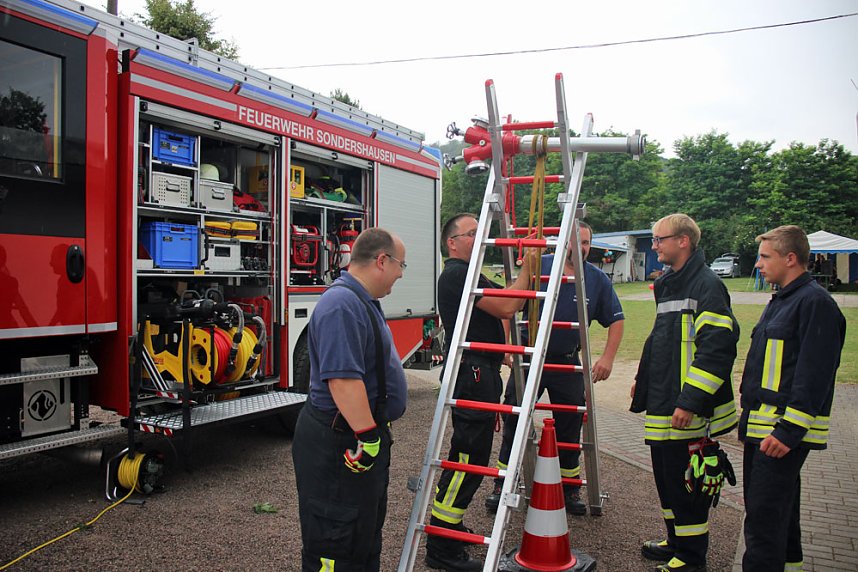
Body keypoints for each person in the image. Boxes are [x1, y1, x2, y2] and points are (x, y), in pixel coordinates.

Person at [486, 221, 625, 515]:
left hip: (565, 361)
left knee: (570, 422)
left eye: (586, 242)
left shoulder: (596, 279)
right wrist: (508, 345)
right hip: (530, 357)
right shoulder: (541, 266)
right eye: (576, 241)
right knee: (514, 417)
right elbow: (510, 303)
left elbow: (616, 319)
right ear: (563, 240)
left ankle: (569, 487)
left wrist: (607, 358)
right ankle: (503, 484)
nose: (581, 247)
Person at [291, 227, 409, 572]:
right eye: (401, 265)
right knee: (334, 542)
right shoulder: (341, 304)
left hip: (352, 437)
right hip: (341, 442)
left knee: (360, 535)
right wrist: (369, 437)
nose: (402, 274)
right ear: (382, 260)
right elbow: (343, 380)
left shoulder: (360, 300)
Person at [630, 214, 739, 572]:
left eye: (659, 239)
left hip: (684, 408)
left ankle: (691, 560)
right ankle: (676, 542)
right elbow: (660, 340)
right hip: (664, 401)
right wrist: (642, 380)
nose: (655, 245)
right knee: (666, 479)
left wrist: (691, 400)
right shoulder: (671, 284)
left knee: (686, 485)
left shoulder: (706, 285)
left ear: (683, 242)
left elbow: (717, 349)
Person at [426, 213, 534, 571]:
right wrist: (529, 266)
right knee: (469, 456)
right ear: (451, 243)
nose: (479, 238)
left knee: (472, 453)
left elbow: (503, 303)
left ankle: (449, 527)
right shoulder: (457, 274)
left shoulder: (472, 272)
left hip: (482, 369)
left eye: (480, 232)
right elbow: (507, 305)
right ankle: (442, 543)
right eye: (471, 233)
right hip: (472, 371)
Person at [739, 225, 846, 572]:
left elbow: (814, 374)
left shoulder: (815, 304)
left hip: (779, 435)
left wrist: (788, 432)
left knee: (763, 521)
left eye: (765, 257)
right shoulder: (784, 299)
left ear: (790, 258)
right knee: (781, 514)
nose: (758, 265)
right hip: (764, 431)